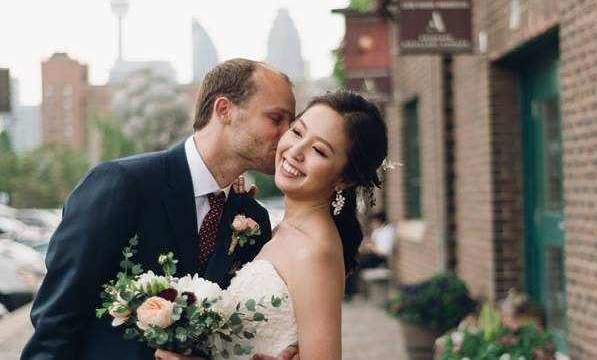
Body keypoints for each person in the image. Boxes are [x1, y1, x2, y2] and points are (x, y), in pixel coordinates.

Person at [21, 58, 297, 360]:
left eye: (290, 123)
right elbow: (57, 320)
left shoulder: (253, 218)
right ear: (224, 110)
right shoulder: (122, 184)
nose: (287, 135)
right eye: (276, 119)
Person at [154, 90, 389, 360]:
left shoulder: (314, 252)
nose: (296, 151)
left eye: (318, 150)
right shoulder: (278, 229)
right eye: (298, 132)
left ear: (344, 179)